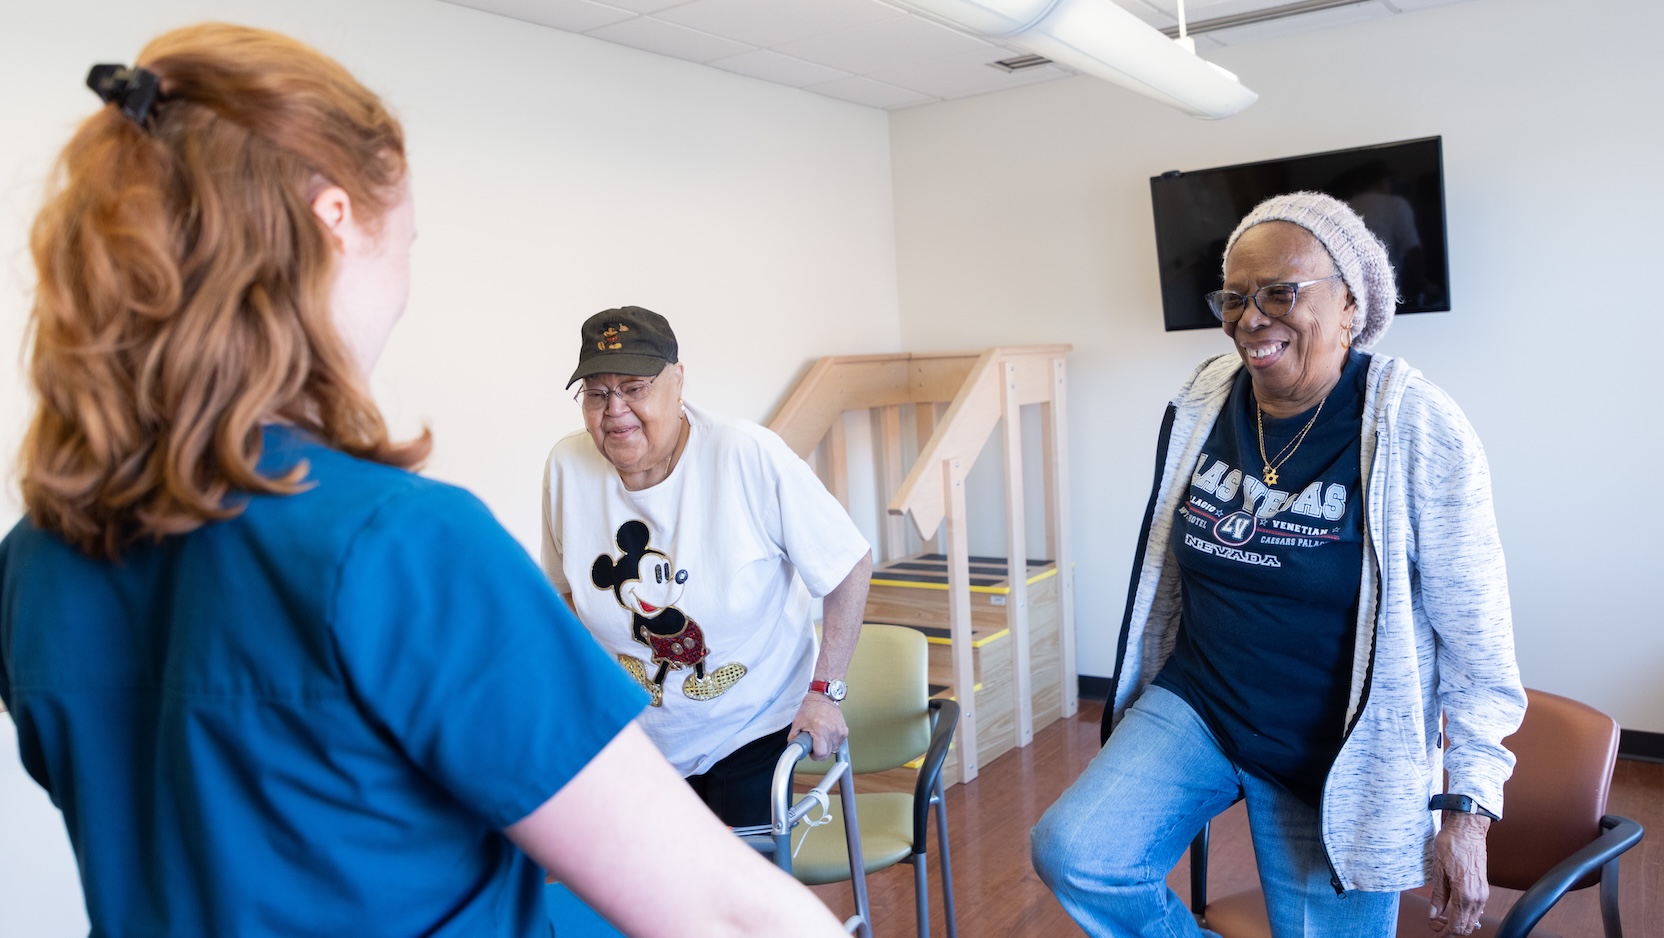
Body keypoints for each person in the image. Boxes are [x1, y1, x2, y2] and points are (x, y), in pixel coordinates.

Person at [0, 24, 846, 938]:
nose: (403, 279)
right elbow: (715, 908)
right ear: (334, 223)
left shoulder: (35, 561)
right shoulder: (401, 546)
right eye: (405, 239)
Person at [1031, 192, 1525, 938]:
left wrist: (1469, 807)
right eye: (1233, 297)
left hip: (1334, 753)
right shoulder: (1204, 399)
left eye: (1279, 293)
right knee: (1078, 853)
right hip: (1201, 705)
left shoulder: (1415, 426)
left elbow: (1479, 645)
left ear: (1351, 303)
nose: (1249, 319)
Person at [541, 305, 873, 828]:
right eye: (598, 393)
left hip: (751, 731)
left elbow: (848, 564)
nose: (615, 410)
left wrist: (824, 691)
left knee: (739, 903)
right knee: (647, 901)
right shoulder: (567, 467)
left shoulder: (746, 455)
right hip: (634, 742)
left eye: (634, 387)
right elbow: (566, 595)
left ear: (677, 380)